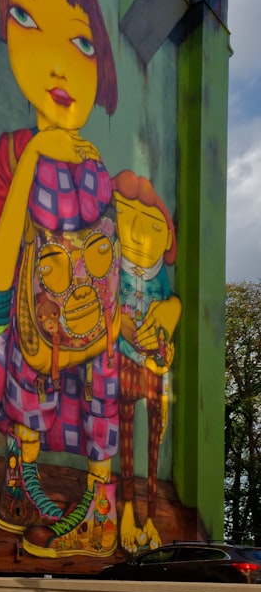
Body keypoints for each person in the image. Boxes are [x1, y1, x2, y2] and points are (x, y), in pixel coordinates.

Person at [0, 0, 122, 559]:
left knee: (99, 370)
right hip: (32, 318)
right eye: (27, 18)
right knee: (17, 349)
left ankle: (101, 509)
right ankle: (22, 486)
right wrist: (29, 161)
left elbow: (110, 266)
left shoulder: (97, 167)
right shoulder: (12, 155)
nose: (60, 67)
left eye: (81, 43)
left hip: (87, 321)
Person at [112, 170, 180, 554]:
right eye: (127, 217)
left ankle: (151, 514)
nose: (137, 232)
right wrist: (117, 320)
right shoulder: (112, 265)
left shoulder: (161, 280)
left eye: (151, 225)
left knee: (153, 439)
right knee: (125, 437)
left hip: (152, 368)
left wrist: (171, 317)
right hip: (122, 363)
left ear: (167, 238)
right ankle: (126, 509)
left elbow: (168, 314)